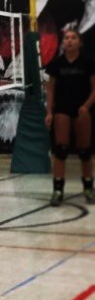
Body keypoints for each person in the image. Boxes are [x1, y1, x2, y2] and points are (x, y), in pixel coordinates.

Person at [45, 28, 95, 206]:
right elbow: (50, 89)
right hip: (62, 109)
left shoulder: (88, 63)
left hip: (82, 109)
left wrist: (86, 106)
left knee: (84, 151)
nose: (69, 40)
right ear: (63, 42)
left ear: (80, 42)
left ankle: (88, 187)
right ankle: (58, 189)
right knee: (61, 150)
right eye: (66, 38)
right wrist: (49, 112)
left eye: (73, 38)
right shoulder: (57, 64)